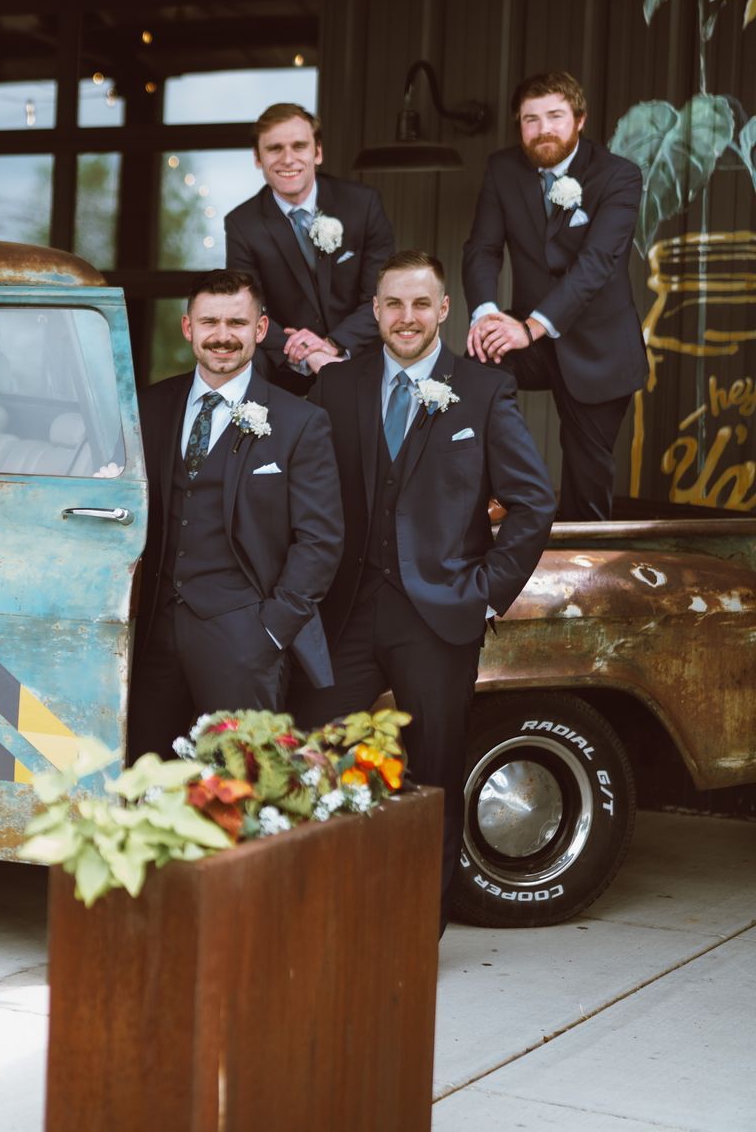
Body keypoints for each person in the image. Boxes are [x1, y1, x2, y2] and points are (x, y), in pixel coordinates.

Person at [293, 251, 555, 927]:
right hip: (345, 613)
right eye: (393, 304)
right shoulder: (338, 386)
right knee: (304, 754)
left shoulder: (484, 390)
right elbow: (298, 487)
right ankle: (309, 912)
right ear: (375, 311)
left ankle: (418, 928)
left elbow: (533, 502)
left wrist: (486, 592)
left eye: (419, 304)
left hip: (439, 618)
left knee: (434, 774)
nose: (406, 317)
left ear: (443, 309)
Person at [127, 270, 344, 762]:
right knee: (144, 779)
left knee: (244, 781)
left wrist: (271, 630)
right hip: (152, 641)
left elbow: (321, 540)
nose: (222, 335)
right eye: (209, 322)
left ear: (260, 329)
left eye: (236, 323)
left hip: (245, 639)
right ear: (188, 327)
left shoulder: (299, 422)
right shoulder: (149, 407)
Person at [462, 70, 646, 521]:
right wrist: (485, 315)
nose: (543, 129)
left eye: (555, 116)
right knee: (476, 365)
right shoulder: (503, 169)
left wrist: (529, 327)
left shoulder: (619, 175)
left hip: (599, 348)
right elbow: (483, 249)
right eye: (531, 119)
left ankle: (585, 558)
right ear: (519, 125)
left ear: (580, 120)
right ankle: (506, 493)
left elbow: (596, 265)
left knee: (586, 488)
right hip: (532, 341)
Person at [224, 102, 396, 394]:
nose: (287, 159)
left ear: (317, 152)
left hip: (361, 359)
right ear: (257, 158)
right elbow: (247, 308)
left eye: (299, 146)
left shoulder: (362, 204)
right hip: (284, 371)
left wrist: (333, 345)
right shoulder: (242, 224)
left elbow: (381, 296)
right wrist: (307, 354)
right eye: (275, 148)